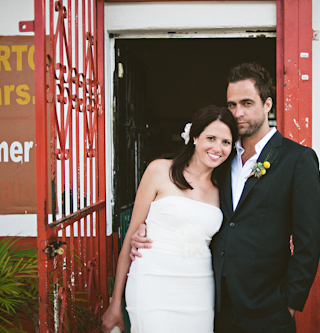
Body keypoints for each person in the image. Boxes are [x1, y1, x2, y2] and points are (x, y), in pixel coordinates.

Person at [131, 63, 320, 333]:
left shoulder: (297, 160)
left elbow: (309, 241)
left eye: (246, 103)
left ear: (268, 104)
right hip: (216, 303)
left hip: (268, 306)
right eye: (232, 105)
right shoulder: (221, 159)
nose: (238, 113)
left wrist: (289, 303)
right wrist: (150, 227)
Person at [101, 105, 239, 333]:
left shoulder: (224, 188)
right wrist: (116, 302)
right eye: (211, 138)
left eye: (225, 142)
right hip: (152, 281)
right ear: (194, 137)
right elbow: (130, 237)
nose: (217, 148)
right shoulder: (159, 171)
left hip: (199, 286)